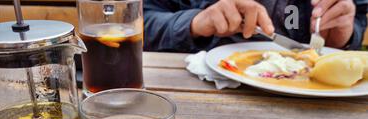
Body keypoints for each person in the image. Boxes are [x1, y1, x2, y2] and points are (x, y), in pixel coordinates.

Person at [143, 0, 368, 52]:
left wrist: (342, 35)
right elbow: (140, 20)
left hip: (317, 102)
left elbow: (358, 17)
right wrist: (195, 22)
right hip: (202, 92)